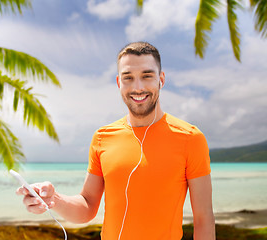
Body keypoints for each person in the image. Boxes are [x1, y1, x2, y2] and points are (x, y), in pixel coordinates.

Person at [16, 42, 215, 240]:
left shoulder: (190, 138)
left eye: (147, 76)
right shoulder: (102, 137)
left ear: (161, 80)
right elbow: (87, 207)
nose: (138, 87)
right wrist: (53, 199)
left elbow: (203, 219)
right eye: (128, 78)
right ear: (119, 83)